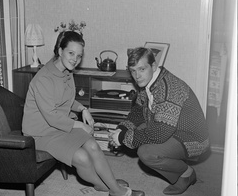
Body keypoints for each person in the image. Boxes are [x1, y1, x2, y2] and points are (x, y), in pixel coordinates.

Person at [22, 31, 145, 196]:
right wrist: (79, 124)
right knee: (82, 158)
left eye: (79, 56)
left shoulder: (66, 72)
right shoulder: (43, 78)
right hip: (40, 133)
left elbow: (65, 99)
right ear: (60, 50)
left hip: (59, 126)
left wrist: (83, 109)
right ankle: (107, 186)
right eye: (71, 53)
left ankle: (111, 186)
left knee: (93, 145)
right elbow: (51, 115)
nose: (75, 59)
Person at [109, 47, 210, 195]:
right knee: (139, 133)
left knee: (147, 153)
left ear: (154, 66)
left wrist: (122, 138)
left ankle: (186, 174)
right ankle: (166, 163)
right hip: (170, 128)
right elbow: (138, 111)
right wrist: (122, 129)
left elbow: (159, 133)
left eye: (141, 69)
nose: (137, 76)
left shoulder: (168, 88)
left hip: (193, 138)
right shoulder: (148, 81)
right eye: (133, 70)